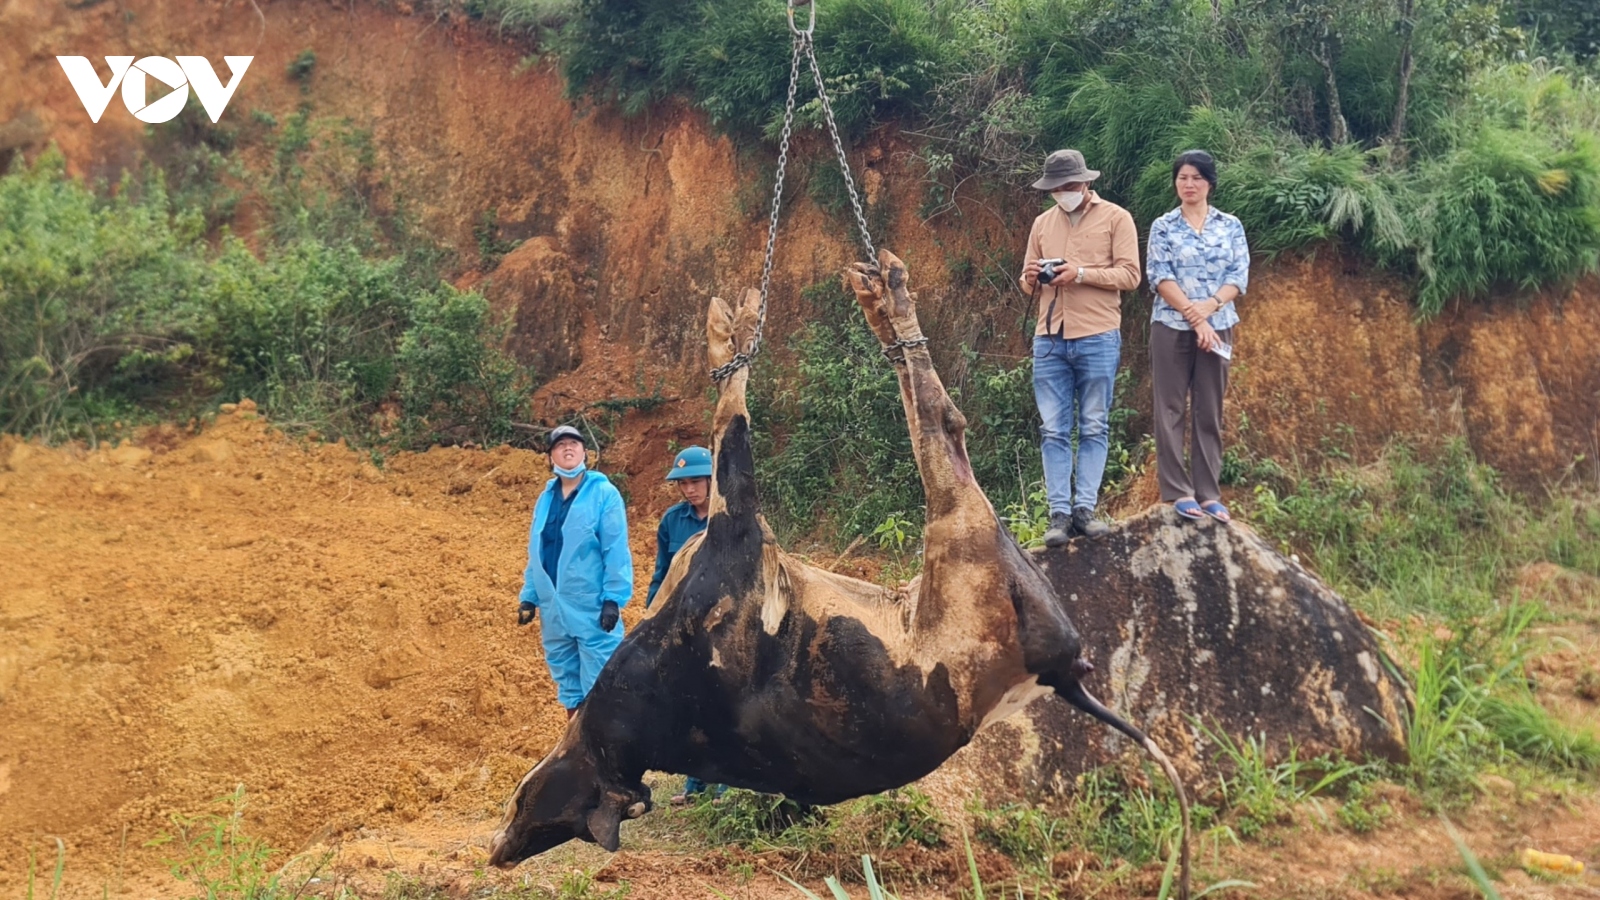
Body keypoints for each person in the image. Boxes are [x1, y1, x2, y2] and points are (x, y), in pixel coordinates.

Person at [1018, 149, 1142, 546]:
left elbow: (1131, 275)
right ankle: (1058, 516)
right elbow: (1026, 283)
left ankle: (1084, 510)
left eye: (1069, 185)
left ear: (1086, 182)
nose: (1062, 192)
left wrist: (1081, 273)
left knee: (1093, 425)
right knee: (1053, 429)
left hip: (1098, 333)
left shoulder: (1116, 218)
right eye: (1056, 187)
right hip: (1049, 334)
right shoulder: (1041, 223)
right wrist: (1035, 276)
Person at [1145, 149, 1249, 524]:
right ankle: (1177, 490)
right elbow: (1159, 277)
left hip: (1219, 324)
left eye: (1196, 178)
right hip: (1171, 327)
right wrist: (1196, 316)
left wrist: (1211, 308)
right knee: (1170, 408)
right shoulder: (1163, 226)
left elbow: (1239, 275)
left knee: (1210, 408)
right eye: (1182, 177)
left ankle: (1209, 494)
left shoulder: (1230, 226)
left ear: (1210, 183)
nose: (1188, 184)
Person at [516, 425, 634, 719]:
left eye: (574, 443)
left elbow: (615, 549)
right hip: (552, 604)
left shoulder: (603, 494)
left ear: (585, 452)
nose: (567, 448)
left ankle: (606, 744)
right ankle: (576, 739)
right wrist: (529, 596)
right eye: (560, 445)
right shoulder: (545, 499)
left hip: (590, 602)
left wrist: (612, 599)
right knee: (565, 674)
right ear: (551, 456)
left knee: (602, 674)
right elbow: (537, 550)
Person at [643, 445, 725, 804]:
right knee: (689, 702)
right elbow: (661, 575)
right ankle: (695, 784)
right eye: (683, 484)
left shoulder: (729, 517)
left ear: (711, 480)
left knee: (724, 703)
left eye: (695, 482)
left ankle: (727, 782)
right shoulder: (672, 521)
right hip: (683, 624)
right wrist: (650, 619)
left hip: (723, 623)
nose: (689, 490)